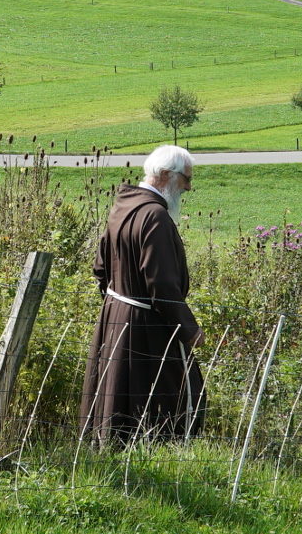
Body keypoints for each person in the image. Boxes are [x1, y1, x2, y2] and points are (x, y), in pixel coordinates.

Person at [79, 144, 206, 445]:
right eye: (186, 179)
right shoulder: (155, 217)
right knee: (167, 388)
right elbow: (161, 284)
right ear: (164, 175)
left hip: (116, 314)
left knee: (119, 387)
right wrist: (189, 328)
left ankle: (112, 448)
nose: (189, 187)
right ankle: (152, 453)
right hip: (145, 323)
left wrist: (118, 305)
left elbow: (100, 269)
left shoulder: (122, 207)